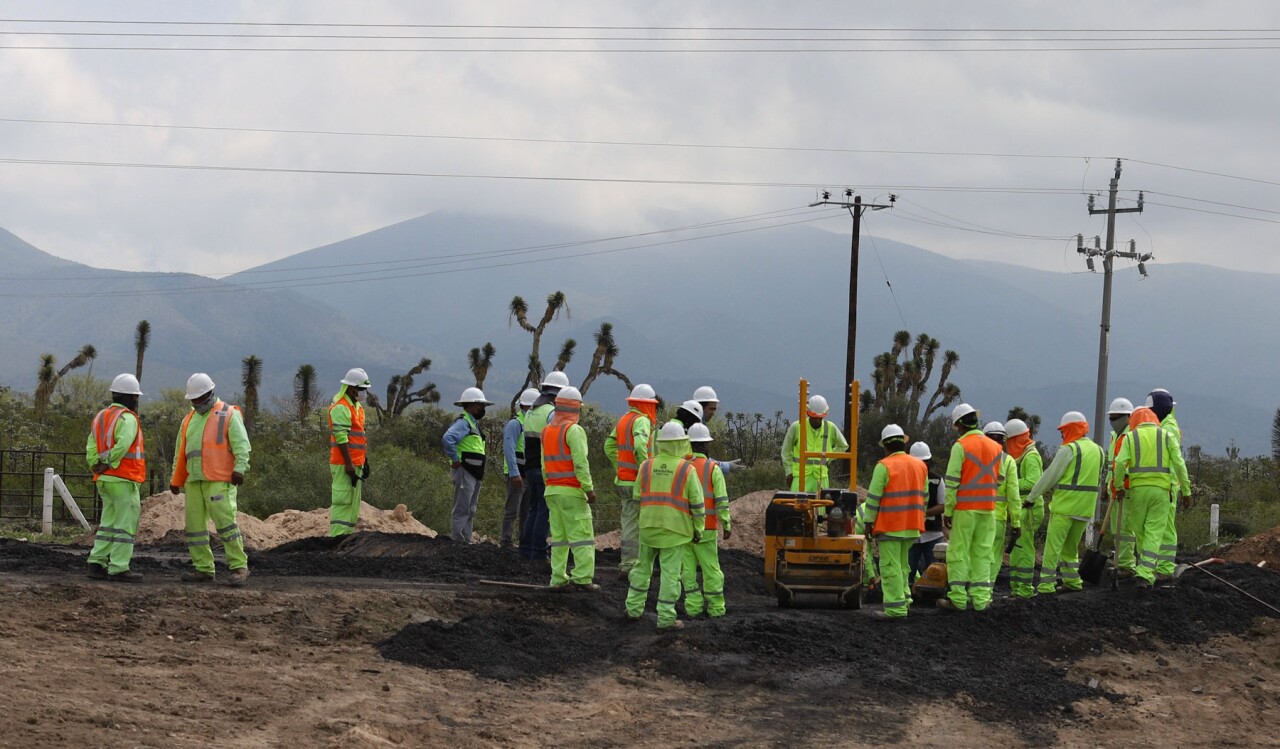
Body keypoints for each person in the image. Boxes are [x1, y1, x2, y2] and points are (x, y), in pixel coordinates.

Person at [169, 373, 251, 586]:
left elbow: (242, 446)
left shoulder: (228, 414)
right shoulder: (189, 419)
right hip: (194, 480)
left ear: (208, 394)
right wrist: (175, 479)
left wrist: (240, 469)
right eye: (193, 400)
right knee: (195, 528)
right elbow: (180, 452)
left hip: (219, 479)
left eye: (198, 398)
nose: (196, 403)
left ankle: (239, 567)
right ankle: (203, 568)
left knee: (226, 524)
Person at [626, 421, 705, 631]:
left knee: (642, 568)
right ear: (681, 443)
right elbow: (697, 504)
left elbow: (636, 499)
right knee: (670, 575)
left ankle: (633, 609)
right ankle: (666, 619)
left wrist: (643, 520)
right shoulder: (686, 469)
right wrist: (698, 529)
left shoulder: (646, 465)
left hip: (648, 527)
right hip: (675, 531)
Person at [1025, 411, 1105, 595]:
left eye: (1063, 430)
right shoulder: (1099, 450)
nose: (1061, 434)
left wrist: (1031, 497)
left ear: (1070, 430)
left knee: (1053, 548)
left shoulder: (1069, 450)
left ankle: (1046, 585)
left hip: (1065, 507)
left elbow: (1049, 477)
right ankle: (1072, 581)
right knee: (1070, 547)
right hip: (1085, 509)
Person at [1113, 406, 1192, 589]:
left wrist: (1118, 487)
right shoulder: (1167, 436)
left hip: (1137, 492)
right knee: (1154, 532)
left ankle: (1145, 570)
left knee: (1139, 530)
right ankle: (1146, 572)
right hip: (1161, 492)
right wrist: (1186, 492)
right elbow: (1180, 465)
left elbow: (1119, 464)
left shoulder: (1130, 438)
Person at [938, 403, 1001, 612]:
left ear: (959, 425)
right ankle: (981, 600)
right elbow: (997, 479)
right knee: (983, 554)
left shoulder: (961, 446)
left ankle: (958, 599)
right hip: (989, 510)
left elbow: (953, 481)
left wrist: (948, 511)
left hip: (965, 509)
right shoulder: (996, 447)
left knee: (958, 553)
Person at [862, 425, 928, 620]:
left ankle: (895, 609)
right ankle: (905, 600)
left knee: (890, 567)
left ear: (885, 446)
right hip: (912, 525)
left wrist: (868, 522)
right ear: (903, 443)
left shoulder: (884, 466)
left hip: (891, 526)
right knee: (903, 566)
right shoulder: (919, 465)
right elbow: (924, 497)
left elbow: (873, 499)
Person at [86, 373, 147, 583]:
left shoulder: (101, 416)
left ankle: (96, 562)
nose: (137, 401)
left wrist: (97, 464)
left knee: (108, 523)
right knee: (125, 525)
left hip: (104, 479)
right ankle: (119, 567)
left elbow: (91, 444)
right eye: (136, 397)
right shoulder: (128, 419)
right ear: (130, 397)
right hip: (124, 478)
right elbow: (123, 444)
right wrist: (110, 461)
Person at [540, 387, 599, 591]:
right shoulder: (573, 430)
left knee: (559, 539)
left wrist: (550, 485)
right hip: (572, 492)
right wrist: (589, 489)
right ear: (576, 408)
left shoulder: (547, 431)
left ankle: (558, 578)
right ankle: (582, 578)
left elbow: (544, 464)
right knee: (582, 537)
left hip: (552, 491)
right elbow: (580, 463)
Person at [603, 383, 658, 576]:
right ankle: (638, 566)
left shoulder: (623, 420)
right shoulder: (641, 421)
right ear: (648, 404)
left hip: (623, 480)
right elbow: (640, 447)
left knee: (628, 524)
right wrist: (647, 472)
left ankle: (627, 564)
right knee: (641, 525)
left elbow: (608, 446)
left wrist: (620, 466)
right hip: (638, 482)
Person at [682, 423, 731, 618]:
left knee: (687, 570)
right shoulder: (713, 469)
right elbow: (721, 500)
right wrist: (726, 523)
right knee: (711, 569)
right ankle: (716, 608)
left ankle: (693, 607)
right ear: (705, 446)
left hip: (685, 528)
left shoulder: (683, 467)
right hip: (708, 527)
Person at [520, 371, 569, 562]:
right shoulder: (551, 413)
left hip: (530, 467)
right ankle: (539, 553)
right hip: (544, 468)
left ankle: (526, 549)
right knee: (544, 511)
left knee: (534, 509)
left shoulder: (531, 411)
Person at [443, 387, 493, 543]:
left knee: (470, 508)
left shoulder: (472, 423)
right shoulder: (464, 422)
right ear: (471, 405)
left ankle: (466, 538)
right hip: (465, 470)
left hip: (474, 471)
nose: (482, 409)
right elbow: (448, 438)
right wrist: (455, 458)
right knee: (463, 507)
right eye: (480, 406)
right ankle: (458, 539)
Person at [1146, 388, 1184, 581]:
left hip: (1167, 486)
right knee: (1158, 527)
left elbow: (1173, 461)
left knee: (1166, 528)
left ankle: (1166, 568)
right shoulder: (1165, 425)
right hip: (1163, 485)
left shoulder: (1167, 428)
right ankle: (1158, 565)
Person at [327, 368, 371, 537]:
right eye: (361, 389)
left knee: (353, 503)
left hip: (356, 463)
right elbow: (341, 437)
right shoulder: (341, 408)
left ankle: (347, 537)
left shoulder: (357, 408)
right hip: (344, 464)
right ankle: (336, 538)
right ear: (351, 389)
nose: (364, 393)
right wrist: (349, 463)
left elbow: (359, 438)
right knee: (342, 502)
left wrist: (364, 461)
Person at [1005, 418, 1044, 599]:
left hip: (1030, 509)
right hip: (1021, 508)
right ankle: (1017, 589)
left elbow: (1034, 482)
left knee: (1025, 549)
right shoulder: (1023, 456)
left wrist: (1011, 483)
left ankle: (1025, 589)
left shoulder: (1031, 456)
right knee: (1017, 550)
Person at [982, 421, 1021, 593]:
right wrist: (1016, 523)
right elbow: (1013, 496)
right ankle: (985, 593)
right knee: (994, 557)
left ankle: (970, 592)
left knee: (976, 554)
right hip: (997, 518)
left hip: (975, 514)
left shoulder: (975, 456)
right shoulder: (1008, 461)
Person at [780, 395, 849, 492]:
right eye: (814, 417)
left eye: (820, 418)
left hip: (821, 477)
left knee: (822, 506)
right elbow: (786, 451)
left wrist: (828, 458)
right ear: (808, 414)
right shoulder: (797, 427)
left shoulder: (830, 428)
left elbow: (843, 445)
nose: (817, 420)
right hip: (800, 477)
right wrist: (789, 472)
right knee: (798, 506)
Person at [501, 387, 539, 548]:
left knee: (526, 511)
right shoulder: (515, 424)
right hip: (517, 475)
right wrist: (514, 473)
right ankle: (506, 541)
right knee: (512, 510)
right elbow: (509, 449)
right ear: (527, 406)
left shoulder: (529, 423)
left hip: (528, 474)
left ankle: (524, 542)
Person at [1106, 397, 1138, 577]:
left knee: (1125, 528)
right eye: (1112, 418)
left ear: (1128, 417)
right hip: (1114, 490)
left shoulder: (1132, 436)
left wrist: (1120, 484)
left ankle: (1127, 564)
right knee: (1115, 528)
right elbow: (1112, 465)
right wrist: (1107, 485)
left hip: (1126, 491)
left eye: (1117, 417)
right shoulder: (1114, 437)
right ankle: (1120, 559)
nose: (1113, 422)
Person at [907, 441, 945, 587]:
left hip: (932, 534)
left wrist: (923, 513)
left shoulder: (936, 480)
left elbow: (942, 506)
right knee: (908, 570)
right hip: (912, 535)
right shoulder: (907, 478)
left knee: (935, 571)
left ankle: (932, 596)